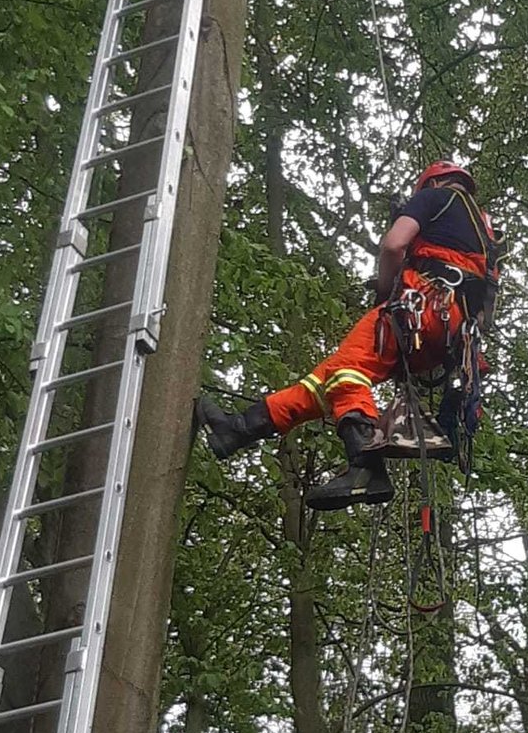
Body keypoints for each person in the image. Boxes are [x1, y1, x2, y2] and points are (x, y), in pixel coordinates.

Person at [195, 161, 505, 510]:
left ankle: (365, 465)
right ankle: (238, 428)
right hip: (448, 337)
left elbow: (393, 245)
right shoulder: (485, 234)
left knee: (348, 371)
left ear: (431, 183)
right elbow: (485, 308)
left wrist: (385, 294)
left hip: (422, 307)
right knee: (328, 379)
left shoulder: (435, 198)